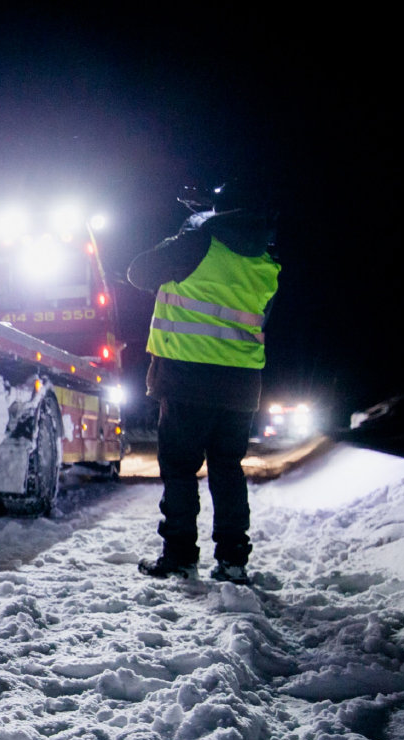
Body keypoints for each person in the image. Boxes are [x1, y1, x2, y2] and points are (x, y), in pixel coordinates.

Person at [130, 180, 280, 586]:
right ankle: (233, 561)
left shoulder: (198, 242)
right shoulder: (266, 259)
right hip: (241, 386)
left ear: (220, 212)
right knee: (227, 470)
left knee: (180, 470)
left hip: (187, 379)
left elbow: (138, 271)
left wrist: (192, 224)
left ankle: (179, 555)